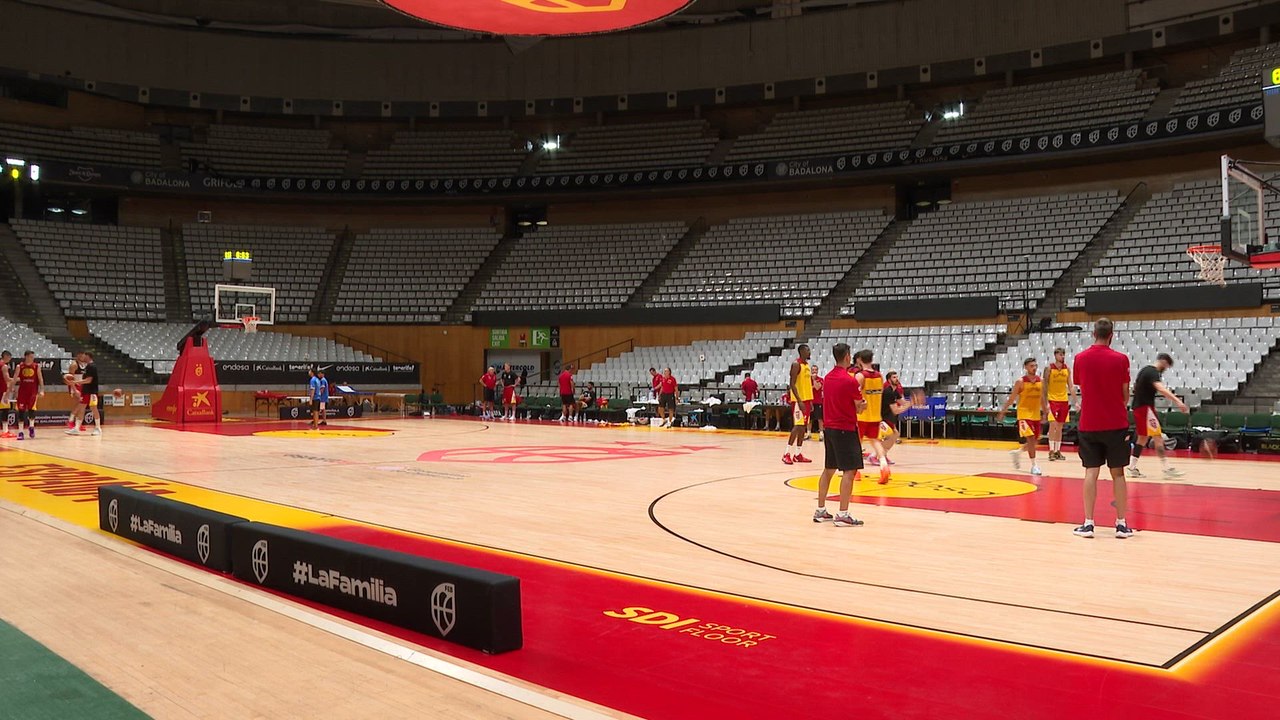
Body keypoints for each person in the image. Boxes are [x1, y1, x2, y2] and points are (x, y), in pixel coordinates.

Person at [1071, 318, 1134, 539]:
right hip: (1116, 423)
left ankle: (1088, 523)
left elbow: (1082, 387)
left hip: (1089, 423)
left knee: (1091, 472)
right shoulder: (1121, 359)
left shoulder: (1080, 358)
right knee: (1118, 474)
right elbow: (1125, 394)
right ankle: (1121, 524)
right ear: (1112, 335)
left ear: (1093, 333)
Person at [812, 343, 868, 528]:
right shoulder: (850, 380)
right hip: (846, 428)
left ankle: (820, 510)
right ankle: (843, 513)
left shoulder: (828, 378)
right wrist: (863, 404)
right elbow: (859, 406)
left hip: (829, 428)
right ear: (847, 357)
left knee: (829, 469)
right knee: (849, 471)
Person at [1129, 353, 1188, 478]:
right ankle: (1167, 468)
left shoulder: (1144, 370)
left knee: (1143, 438)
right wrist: (1178, 401)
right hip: (1145, 408)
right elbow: (1161, 388)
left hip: (1139, 407)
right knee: (1157, 436)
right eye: (1166, 366)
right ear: (1163, 361)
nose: (1165, 369)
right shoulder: (1152, 372)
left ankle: (1131, 467)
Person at [996, 358, 1044, 476]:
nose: (1034, 368)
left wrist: (1046, 411)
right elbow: (1012, 398)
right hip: (1024, 414)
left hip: (1036, 414)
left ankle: (1018, 452)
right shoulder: (1020, 382)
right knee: (1031, 438)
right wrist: (1003, 411)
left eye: (1035, 365)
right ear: (1026, 367)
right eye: (1032, 366)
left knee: (1036, 439)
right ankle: (1034, 465)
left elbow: (1042, 398)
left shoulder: (1041, 381)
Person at [854, 350, 891, 483]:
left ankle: (855, 471)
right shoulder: (879, 376)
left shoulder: (860, 376)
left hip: (861, 415)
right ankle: (884, 466)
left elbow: (854, 394)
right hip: (875, 414)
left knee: (856, 443)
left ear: (859, 360)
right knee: (875, 441)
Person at [782, 344, 813, 465]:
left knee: (803, 427)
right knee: (797, 426)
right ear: (802, 352)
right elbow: (792, 384)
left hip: (807, 400)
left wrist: (810, 400)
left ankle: (798, 454)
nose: (810, 352)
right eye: (808, 350)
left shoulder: (807, 365)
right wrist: (799, 400)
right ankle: (786, 453)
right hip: (798, 401)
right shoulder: (796, 364)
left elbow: (807, 385)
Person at [1044, 348, 1077, 461]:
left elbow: (1071, 386)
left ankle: (1058, 451)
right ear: (1055, 355)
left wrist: (1076, 401)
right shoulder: (1049, 368)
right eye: (1060, 354)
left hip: (1063, 400)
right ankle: (1051, 451)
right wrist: (1045, 402)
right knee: (1053, 426)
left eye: (1063, 354)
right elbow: (1044, 386)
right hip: (1052, 400)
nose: (1062, 356)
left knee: (1059, 427)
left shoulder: (1067, 369)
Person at [66, 352, 101, 436]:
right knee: (81, 408)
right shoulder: (87, 366)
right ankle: (76, 428)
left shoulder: (92, 366)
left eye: (85, 356)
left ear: (88, 356)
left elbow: (89, 380)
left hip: (92, 391)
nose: (83, 357)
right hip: (85, 390)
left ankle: (98, 428)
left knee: (94, 408)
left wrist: (76, 382)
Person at [13, 351, 43, 440]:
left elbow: (40, 379)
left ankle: (31, 427)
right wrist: (12, 388)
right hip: (22, 392)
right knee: (21, 412)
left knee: (31, 410)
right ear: (26, 356)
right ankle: (21, 432)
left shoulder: (36, 366)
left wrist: (42, 390)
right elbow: (14, 379)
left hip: (33, 391)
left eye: (33, 356)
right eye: (30, 356)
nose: (32, 358)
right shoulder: (20, 366)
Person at [809, 364, 824, 441]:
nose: (814, 371)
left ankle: (821, 434)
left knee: (819, 418)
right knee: (809, 419)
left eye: (815, 370)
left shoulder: (820, 379)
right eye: (813, 370)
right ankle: (808, 434)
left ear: (817, 371)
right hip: (810, 401)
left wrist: (814, 380)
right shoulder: (807, 380)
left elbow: (818, 387)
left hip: (818, 402)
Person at [0, 351, 12, 439]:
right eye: (9, 357)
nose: (10, 359)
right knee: (5, 410)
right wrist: (18, 378)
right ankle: (5, 431)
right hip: (3, 389)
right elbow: (7, 378)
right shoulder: (4, 366)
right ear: (6, 356)